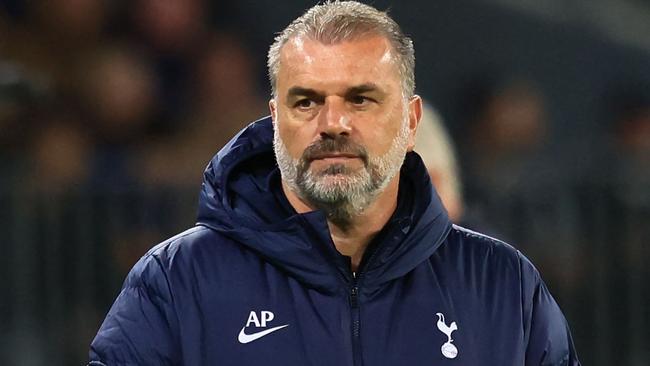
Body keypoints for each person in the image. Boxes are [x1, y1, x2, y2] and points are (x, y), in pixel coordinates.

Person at [89, 2, 580, 365]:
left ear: (411, 122)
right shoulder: (177, 282)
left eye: (361, 99)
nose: (333, 123)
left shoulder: (503, 286)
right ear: (275, 120)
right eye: (306, 102)